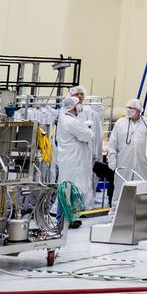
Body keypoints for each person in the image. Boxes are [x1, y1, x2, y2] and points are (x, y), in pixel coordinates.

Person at [55, 92, 95, 228]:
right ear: (72, 106)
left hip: (69, 159)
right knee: (68, 189)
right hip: (73, 160)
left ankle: (67, 217)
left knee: (67, 188)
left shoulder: (66, 119)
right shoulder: (70, 121)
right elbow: (87, 135)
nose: (80, 107)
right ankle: (66, 218)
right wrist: (89, 131)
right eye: (78, 104)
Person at [107, 98, 147, 203]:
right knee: (121, 187)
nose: (129, 110)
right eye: (128, 107)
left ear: (139, 111)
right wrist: (111, 159)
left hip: (142, 163)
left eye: (132, 108)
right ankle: (115, 213)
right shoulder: (120, 123)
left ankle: (139, 213)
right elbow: (112, 143)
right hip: (123, 162)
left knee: (141, 188)